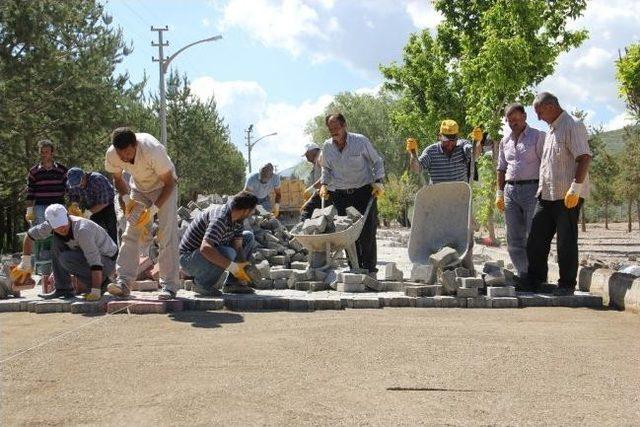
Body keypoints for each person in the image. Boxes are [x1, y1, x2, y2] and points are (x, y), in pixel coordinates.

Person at [524, 92, 592, 295]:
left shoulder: (572, 124)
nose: (538, 117)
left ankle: (566, 284)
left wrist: (576, 188)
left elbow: (584, 157)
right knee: (536, 238)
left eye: (539, 112)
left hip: (567, 195)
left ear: (552, 106)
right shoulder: (552, 130)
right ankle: (535, 280)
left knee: (566, 241)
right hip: (547, 195)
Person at [104, 128, 179, 300]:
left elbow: (170, 183)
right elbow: (118, 179)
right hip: (138, 189)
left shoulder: (153, 149)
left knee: (166, 233)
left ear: (135, 144)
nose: (125, 159)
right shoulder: (112, 155)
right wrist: (127, 201)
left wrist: (152, 211)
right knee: (130, 231)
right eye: (121, 155)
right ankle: (123, 282)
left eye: (129, 154)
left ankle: (169, 286)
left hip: (164, 187)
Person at [319, 113, 385, 275]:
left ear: (344, 126)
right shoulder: (327, 147)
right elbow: (326, 168)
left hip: (363, 192)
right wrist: (324, 184)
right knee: (346, 233)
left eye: (336, 127)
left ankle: (369, 269)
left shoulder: (360, 141)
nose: (334, 131)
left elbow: (377, 161)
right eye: (330, 128)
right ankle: (354, 267)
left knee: (367, 232)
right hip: (341, 195)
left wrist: (379, 180)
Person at [13, 204, 117, 300]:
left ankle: (102, 283)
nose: (62, 228)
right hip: (92, 258)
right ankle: (63, 289)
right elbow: (29, 236)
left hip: (108, 261)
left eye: (63, 224)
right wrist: (25, 262)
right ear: (49, 223)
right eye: (57, 226)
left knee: (66, 258)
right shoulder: (48, 226)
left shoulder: (82, 230)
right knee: (57, 242)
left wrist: (96, 290)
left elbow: (95, 261)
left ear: (68, 216)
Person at [495, 103, 545, 280]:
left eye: (516, 119)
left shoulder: (538, 136)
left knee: (534, 235)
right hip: (510, 191)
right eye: (509, 121)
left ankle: (537, 275)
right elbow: (501, 168)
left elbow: (545, 165)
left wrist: (542, 190)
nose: (513, 124)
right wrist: (499, 193)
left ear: (524, 116)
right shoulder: (505, 142)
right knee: (514, 236)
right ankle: (523, 273)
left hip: (533, 189)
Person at [179, 191, 258, 296]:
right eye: (252, 211)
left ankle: (232, 284)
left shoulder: (238, 220)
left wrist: (243, 268)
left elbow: (238, 247)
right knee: (228, 252)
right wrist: (233, 267)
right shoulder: (220, 218)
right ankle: (201, 285)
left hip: (202, 256)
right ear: (246, 210)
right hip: (188, 260)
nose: (253, 213)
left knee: (248, 237)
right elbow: (206, 248)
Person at [408, 119, 481, 183]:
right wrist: (413, 153)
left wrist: (477, 143)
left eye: (453, 140)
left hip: (461, 196)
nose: (449, 144)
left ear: (457, 137)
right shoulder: (430, 152)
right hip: (438, 197)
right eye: (446, 140)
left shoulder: (463, 145)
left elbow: (475, 155)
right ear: (440, 137)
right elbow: (416, 169)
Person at [66, 167, 118, 245]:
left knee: (112, 229)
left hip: (109, 205)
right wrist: (74, 206)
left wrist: (88, 213)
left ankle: (115, 252)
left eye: (79, 183)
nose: (78, 186)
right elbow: (74, 196)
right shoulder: (71, 184)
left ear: (84, 176)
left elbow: (105, 202)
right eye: (75, 184)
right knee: (92, 230)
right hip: (92, 206)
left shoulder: (97, 179)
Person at [25, 139, 68, 224]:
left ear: (52, 153)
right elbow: (30, 191)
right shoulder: (34, 171)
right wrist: (29, 210)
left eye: (46, 152)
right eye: (42, 152)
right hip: (40, 207)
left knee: (61, 230)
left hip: (58, 205)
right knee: (42, 233)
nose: (44, 154)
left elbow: (69, 188)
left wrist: (73, 204)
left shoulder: (62, 170)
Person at [299, 142, 325, 221]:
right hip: (320, 194)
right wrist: (311, 197)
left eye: (307, 154)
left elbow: (326, 175)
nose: (306, 157)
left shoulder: (321, 156)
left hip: (327, 193)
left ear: (313, 151)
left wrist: (311, 189)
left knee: (307, 212)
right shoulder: (315, 162)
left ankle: (301, 231)